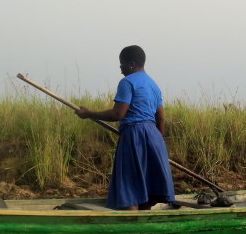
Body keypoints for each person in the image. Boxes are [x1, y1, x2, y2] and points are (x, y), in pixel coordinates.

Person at [75, 45, 175, 210]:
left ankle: (132, 224)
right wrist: (157, 142)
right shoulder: (153, 85)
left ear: (131, 64)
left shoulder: (127, 82)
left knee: (131, 187)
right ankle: (143, 228)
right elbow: (161, 117)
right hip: (154, 136)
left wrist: (88, 113)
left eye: (122, 63)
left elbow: (118, 114)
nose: (120, 68)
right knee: (146, 188)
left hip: (134, 135)